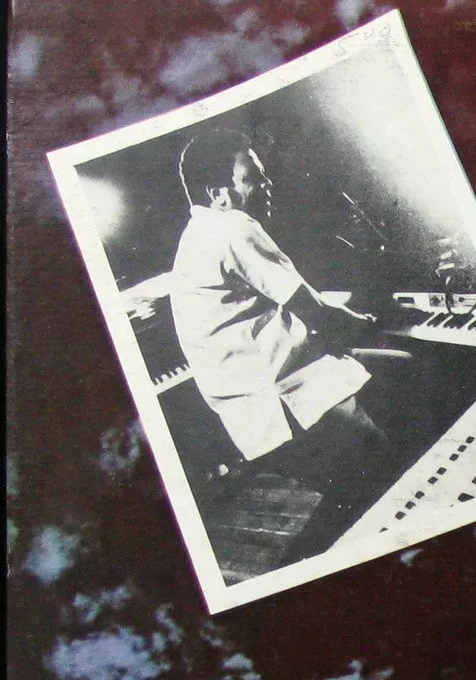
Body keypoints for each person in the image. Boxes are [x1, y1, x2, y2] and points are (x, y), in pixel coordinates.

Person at [169, 127, 396, 564]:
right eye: (254, 177)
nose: (267, 184)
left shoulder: (198, 235)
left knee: (360, 485)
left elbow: (282, 306)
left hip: (252, 412)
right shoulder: (232, 227)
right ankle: (301, 570)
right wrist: (368, 319)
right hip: (283, 400)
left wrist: (344, 320)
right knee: (382, 473)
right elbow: (315, 311)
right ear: (219, 194)